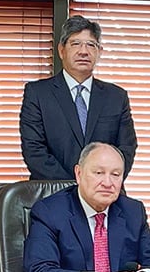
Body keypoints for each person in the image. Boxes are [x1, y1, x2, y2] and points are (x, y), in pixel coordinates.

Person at [24, 142, 150, 272]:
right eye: (99, 173)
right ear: (78, 174)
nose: (107, 183)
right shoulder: (49, 212)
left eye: (115, 175)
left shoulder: (132, 212)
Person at [20, 15, 138, 180]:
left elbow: (126, 148)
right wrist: (75, 189)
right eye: (75, 44)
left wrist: (98, 184)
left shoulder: (116, 97)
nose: (83, 51)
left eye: (91, 45)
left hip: (104, 195)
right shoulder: (38, 93)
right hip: (53, 195)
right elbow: (34, 150)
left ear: (99, 52)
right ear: (61, 50)